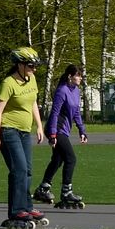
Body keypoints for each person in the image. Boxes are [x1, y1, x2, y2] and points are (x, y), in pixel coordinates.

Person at [0, 46, 46, 224]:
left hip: (25, 131)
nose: (34, 69)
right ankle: (16, 210)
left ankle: (27, 206)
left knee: (27, 170)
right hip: (8, 131)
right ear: (20, 65)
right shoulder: (9, 83)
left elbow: (33, 103)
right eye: (30, 66)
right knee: (19, 169)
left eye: (35, 66)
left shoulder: (31, 79)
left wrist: (39, 126)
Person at [33, 64, 88, 208]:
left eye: (81, 76)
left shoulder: (76, 91)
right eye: (78, 75)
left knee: (57, 159)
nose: (80, 78)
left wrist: (82, 131)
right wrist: (52, 134)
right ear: (70, 76)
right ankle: (66, 192)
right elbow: (55, 113)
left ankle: (43, 189)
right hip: (56, 129)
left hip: (63, 130)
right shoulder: (62, 90)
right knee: (70, 158)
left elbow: (76, 112)